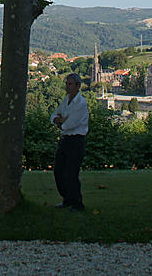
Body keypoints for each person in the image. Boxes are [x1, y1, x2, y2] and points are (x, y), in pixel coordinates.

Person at [50, 73, 89, 211]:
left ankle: (77, 203)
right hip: (65, 139)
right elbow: (54, 115)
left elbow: (70, 124)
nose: (67, 87)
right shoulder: (66, 100)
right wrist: (59, 120)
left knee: (71, 173)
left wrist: (61, 123)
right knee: (59, 170)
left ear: (78, 86)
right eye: (66, 84)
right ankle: (67, 199)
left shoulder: (81, 104)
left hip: (76, 140)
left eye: (70, 84)